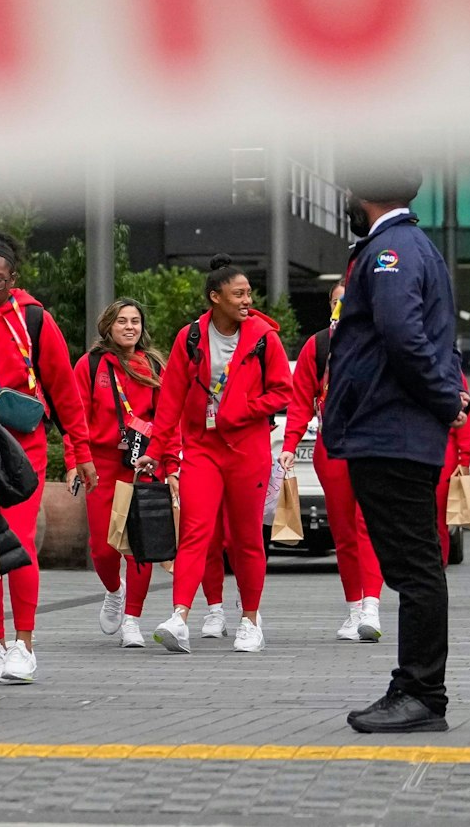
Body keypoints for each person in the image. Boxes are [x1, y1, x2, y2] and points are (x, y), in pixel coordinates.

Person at [322, 169, 464, 734]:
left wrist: (441, 396)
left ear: (365, 196)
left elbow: (404, 335)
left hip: (390, 430)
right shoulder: (409, 245)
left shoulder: (391, 250)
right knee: (416, 567)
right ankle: (416, 687)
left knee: (414, 569)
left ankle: (423, 693)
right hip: (393, 429)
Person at [146, 255, 293, 656]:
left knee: (246, 538)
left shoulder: (265, 338)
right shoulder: (189, 338)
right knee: (195, 531)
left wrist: (240, 410)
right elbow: (171, 397)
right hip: (201, 449)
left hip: (248, 450)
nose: (247, 301)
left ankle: (250, 619)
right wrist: (156, 451)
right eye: (238, 294)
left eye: (249, 293)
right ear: (215, 297)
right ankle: (178, 618)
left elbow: (284, 391)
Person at [0, 230, 92, 683]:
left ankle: (24, 643)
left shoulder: (35, 319)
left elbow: (64, 390)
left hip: (24, 449)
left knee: (15, 545)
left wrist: (79, 450)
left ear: (13, 277)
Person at [284, 284, 384, 643]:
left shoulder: (381, 338)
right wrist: (290, 444)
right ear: (329, 305)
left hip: (373, 444)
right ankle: (354, 607)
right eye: (336, 300)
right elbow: (299, 400)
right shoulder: (319, 345)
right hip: (333, 445)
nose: (343, 305)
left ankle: (372, 604)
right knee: (342, 530)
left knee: (366, 524)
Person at [75, 299, 164, 649]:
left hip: (144, 463)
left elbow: (169, 413)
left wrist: (162, 454)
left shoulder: (153, 364)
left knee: (139, 545)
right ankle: (114, 590)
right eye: (122, 321)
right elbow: (76, 416)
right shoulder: (91, 364)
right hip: (101, 465)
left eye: (136, 321)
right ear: (108, 325)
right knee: (102, 548)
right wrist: (77, 460)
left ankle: (133, 619)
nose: (130, 327)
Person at [436, 373, 470, 567]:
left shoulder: (454, 373)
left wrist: (464, 459)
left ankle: (439, 563)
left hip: (445, 449)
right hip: (411, 443)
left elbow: (465, 420)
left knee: (440, 513)